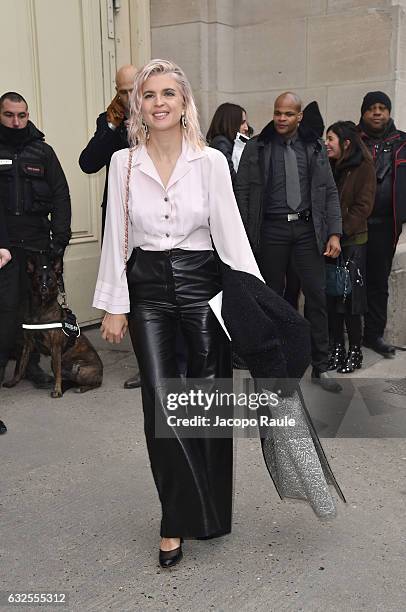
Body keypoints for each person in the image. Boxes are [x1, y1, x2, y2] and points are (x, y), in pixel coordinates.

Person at [93, 59, 263, 568]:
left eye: (170, 93)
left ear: (184, 101)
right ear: (137, 106)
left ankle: (207, 510)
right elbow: (116, 238)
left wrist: (252, 304)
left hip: (202, 284)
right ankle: (174, 517)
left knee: (205, 401)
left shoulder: (209, 161)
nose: (160, 102)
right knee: (161, 404)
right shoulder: (124, 163)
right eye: (150, 95)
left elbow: (230, 232)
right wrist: (114, 305)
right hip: (147, 288)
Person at [235, 93, 343, 393]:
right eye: (277, 113)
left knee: (317, 297)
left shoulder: (314, 146)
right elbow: (241, 192)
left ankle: (321, 366)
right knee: (271, 299)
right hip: (271, 230)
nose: (281, 119)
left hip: (307, 230)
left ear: (299, 117)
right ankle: (277, 369)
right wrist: (243, 237)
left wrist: (334, 232)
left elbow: (329, 191)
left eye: (288, 114)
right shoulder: (258, 146)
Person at [0, 91, 71, 388]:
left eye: (22, 115)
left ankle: (30, 366)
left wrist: (60, 240)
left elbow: (61, 195)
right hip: (5, 247)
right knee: (6, 313)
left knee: (37, 309)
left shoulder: (43, 152)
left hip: (38, 245)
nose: (16, 122)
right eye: (9, 115)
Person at [79, 64, 141, 390]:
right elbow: (88, 162)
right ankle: (149, 363)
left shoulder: (161, 114)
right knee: (130, 290)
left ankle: (178, 362)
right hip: (120, 218)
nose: (128, 97)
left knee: (155, 293)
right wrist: (111, 126)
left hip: (153, 220)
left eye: (133, 89)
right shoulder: (110, 121)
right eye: (122, 91)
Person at [358, 91, 406, 357]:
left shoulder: (402, 142)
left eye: (382, 108)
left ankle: (373, 335)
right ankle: (347, 335)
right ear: (363, 112)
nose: (377, 112)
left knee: (378, 281)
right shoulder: (350, 139)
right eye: (372, 108)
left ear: (388, 112)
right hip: (354, 225)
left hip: (387, 225)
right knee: (351, 281)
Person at [325, 121, 375, 372]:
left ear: (345, 143)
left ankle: (355, 351)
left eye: (330, 139)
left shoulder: (363, 167)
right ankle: (337, 348)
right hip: (329, 244)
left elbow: (363, 208)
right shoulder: (329, 166)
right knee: (332, 298)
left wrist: (338, 232)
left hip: (352, 242)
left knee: (350, 299)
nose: (326, 143)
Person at [206, 102, 249, 185]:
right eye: (242, 123)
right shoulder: (221, 143)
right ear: (230, 122)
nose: (246, 127)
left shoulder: (226, 143)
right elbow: (234, 178)